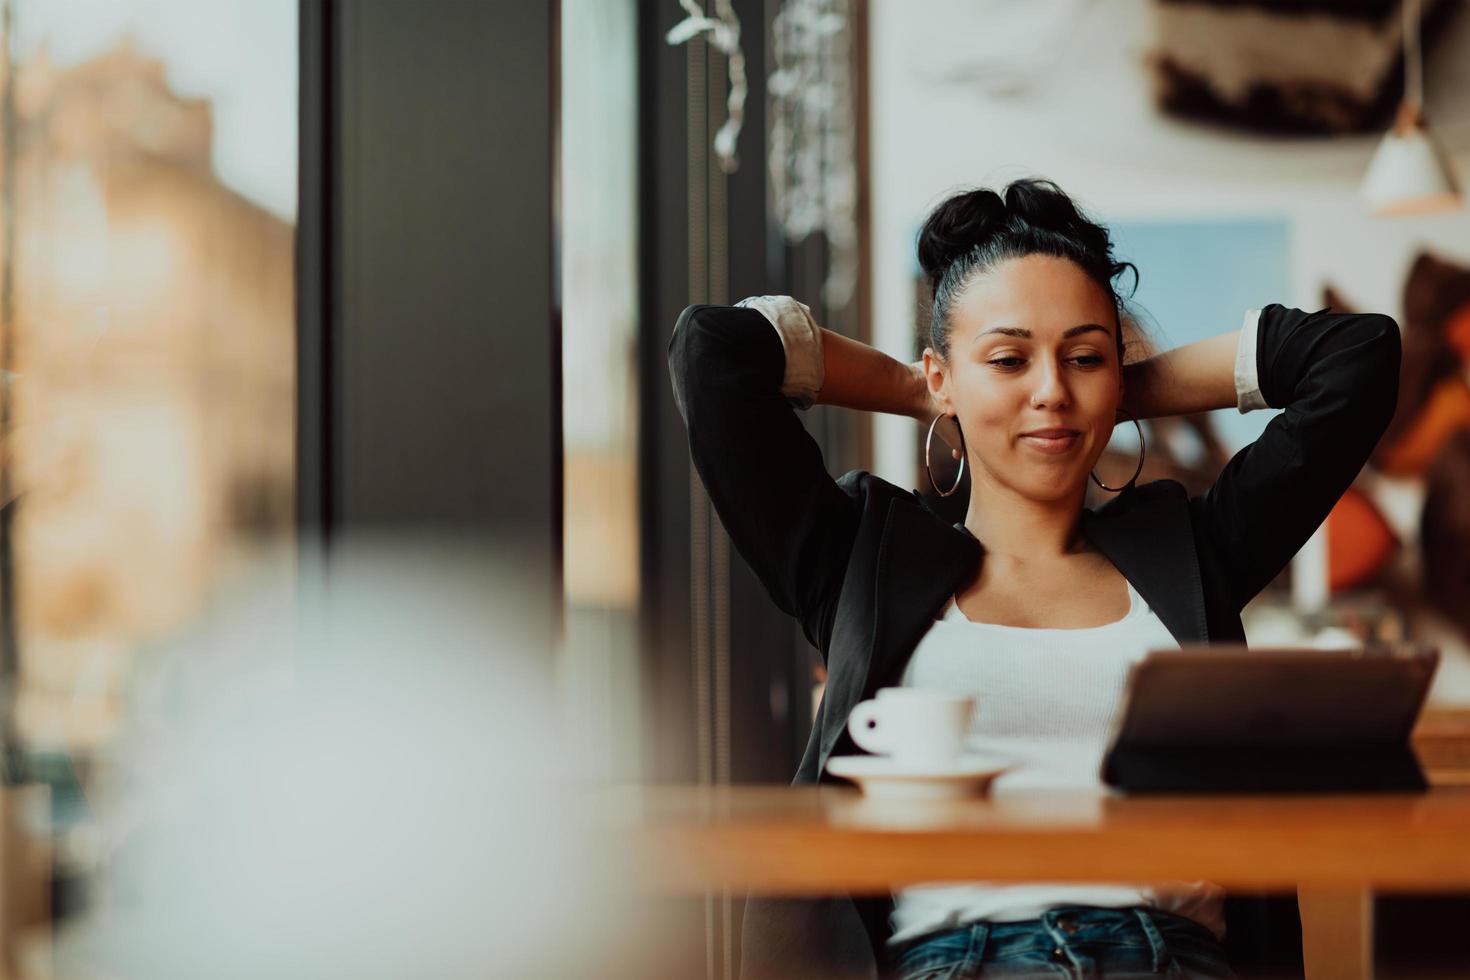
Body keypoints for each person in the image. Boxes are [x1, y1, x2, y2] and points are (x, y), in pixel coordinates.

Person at [667, 178, 1401, 980]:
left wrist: (1110, 392)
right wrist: (925, 393)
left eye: (1083, 357)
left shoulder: (1194, 553)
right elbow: (715, 351)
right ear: (944, 375)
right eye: (1009, 358)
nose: (1051, 390)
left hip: (1166, 961)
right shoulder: (860, 561)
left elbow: (1356, 357)